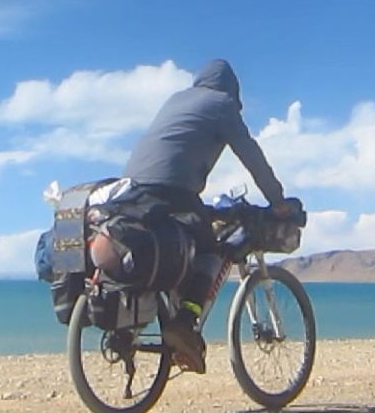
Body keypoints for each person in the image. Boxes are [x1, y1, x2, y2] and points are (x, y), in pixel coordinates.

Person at [119, 58, 290, 373]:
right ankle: (185, 321)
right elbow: (251, 155)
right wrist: (277, 200)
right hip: (173, 191)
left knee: (175, 244)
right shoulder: (222, 104)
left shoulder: (177, 99)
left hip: (130, 191)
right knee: (211, 248)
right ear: (231, 89)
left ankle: (166, 314)